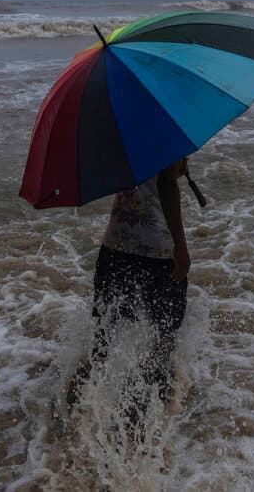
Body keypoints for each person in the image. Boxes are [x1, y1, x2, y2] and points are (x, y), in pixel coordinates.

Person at [67, 157, 191, 406]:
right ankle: (147, 410)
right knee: (164, 334)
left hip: (115, 245)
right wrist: (180, 246)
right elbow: (166, 186)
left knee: (105, 332)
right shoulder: (164, 130)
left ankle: (76, 402)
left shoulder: (115, 133)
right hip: (157, 250)